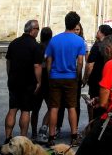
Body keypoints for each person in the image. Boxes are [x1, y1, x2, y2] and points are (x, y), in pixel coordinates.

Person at [45, 11, 88, 145]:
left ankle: (51, 137)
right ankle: (73, 136)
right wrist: (78, 76)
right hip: (71, 77)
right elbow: (80, 62)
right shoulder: (79, 41)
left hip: (55, 76)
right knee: (72, 107)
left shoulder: (54, 40)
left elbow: (48, 61)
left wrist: (49, 75)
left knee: (54, 107)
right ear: (75, 24)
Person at [3, 19, 43, 144]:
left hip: (14, 81)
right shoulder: (35, 46)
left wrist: (10, 75)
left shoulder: (14, 43)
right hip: (28, 82)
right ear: (32, 30)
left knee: (12, 108)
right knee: (26, 110)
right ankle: (23, 138)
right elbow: (37, 66)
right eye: (37, 29)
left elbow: (8, 61)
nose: (38, 31)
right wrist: (39, 81)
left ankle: (8, 136)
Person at [57, 22, 86, 135]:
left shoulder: (81, 42)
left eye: (78, 29)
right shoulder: (68, 41)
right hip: (68, 75)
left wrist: (80, 77)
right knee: (61, 103)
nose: (76, 31)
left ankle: (75, 128)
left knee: (74, 103)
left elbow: (82, 61)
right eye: (74, 29)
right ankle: (59, 126)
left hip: (73, 76)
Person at [83, 24, 112, 122]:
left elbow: (90, 64)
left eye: (98, 31)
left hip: (96, 80)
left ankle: (92, 125)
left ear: (102, 33)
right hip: (108, 79)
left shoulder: (97, 46)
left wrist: (85, 79)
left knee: (93, 103)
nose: (97, 32)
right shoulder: (111, 45)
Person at [31, 26, 52, 139]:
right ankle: (44, 128)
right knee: (51, 107)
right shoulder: (52, 47)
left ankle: (34, 132)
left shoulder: (37, 47)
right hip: (48, 81)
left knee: (35, 109)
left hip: (38, 80)